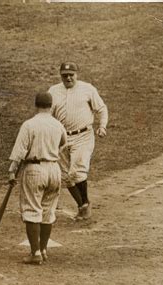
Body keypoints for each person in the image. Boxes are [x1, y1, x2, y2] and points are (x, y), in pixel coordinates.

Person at [9, 92, 67, 265]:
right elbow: (64, 143)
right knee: (48, 212)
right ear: (51, 105)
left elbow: (19, 151)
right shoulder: (58, 124)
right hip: (54, 169)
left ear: (36, 104)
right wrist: (53, 152)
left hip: (35, 169)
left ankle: (35, 253)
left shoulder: (29, 124)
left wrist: (12, 172)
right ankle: (43, 250)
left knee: (32, 210)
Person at [48, 62, 108, 220]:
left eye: (71, 75)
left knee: (77, 172)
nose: (68, 78)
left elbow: (101, 109)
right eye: (64, 75)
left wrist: (102, 126)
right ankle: (83, 206)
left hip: (83, 136)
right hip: (61, 138)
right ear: (60, 75)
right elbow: (47, 115)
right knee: (65, 176)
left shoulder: (87, 89)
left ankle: (85, 206)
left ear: (76, 74)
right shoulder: (53, 91)